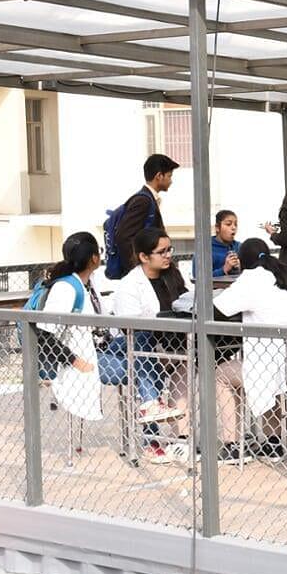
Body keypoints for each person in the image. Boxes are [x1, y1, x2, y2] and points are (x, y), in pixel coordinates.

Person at [211, 239, 287, 462]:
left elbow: (217, 310)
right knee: (269, 373)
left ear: (243, 261)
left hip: (277, 364)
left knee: (221, 375)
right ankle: (272, 443)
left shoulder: (251, 278)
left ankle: (232, 445)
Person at [34, 232, 155, 424]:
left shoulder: (88, 284)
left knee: (146, 339)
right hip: (86, 357)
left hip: (104, 347)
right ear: (93, 258)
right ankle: (151, 406)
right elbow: (44, 335)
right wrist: (75, 361)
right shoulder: (66, 288)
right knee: (145, 365)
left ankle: (151, 405)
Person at [111, 227, 194, 463]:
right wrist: (159, 349)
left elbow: (188, 304)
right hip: (135, 348)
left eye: (170, 250)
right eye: (161, 251)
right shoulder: (130, 285)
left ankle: (181, 439)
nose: (168, 255)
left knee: (183, 366)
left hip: (172, 346)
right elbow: (130, 329)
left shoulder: (174, 276)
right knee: (144, 343)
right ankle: (151, 431)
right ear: (144, 256)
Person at [109, 153, 179, 282]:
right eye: (169, 176)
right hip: (143, 273)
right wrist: (139, 269)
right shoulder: (143, 201)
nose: (171, 181)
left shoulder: (149, 199)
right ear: (159, 176)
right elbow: (124, 237)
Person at [211, 210, 242, 278]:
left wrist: (242, 267)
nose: (233, 228)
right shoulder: (206, 249)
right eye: (228, 224)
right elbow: (198, 278)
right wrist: (224, 270)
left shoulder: (239, 247)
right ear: (217, 227)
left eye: (235, 224)